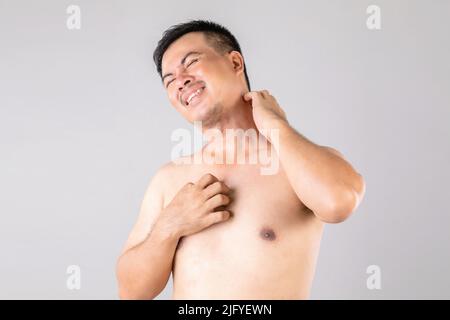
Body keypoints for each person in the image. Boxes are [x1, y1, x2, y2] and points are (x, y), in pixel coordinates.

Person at [116, 20, 366, 299]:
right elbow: (131, 292)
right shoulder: (169, 179)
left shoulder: (297, 162)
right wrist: (169, 227)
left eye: (191, 62)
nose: (181, 81)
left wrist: (275, 125)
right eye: (170, 80)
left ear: (235, 62)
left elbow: (339, 203)